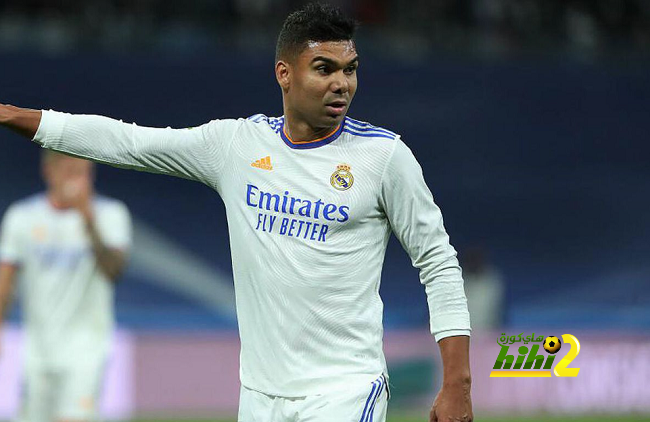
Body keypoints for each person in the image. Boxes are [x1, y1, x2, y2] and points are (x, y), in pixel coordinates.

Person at [0, 3, 472, 421]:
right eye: (323, 68)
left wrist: (458, 382)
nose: (341, 84)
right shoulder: (237, 147)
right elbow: (129, 142)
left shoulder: (384, 157)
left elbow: (438, 263)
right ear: (284, 74)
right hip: (259, 396)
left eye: (350, 70)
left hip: (345, 391)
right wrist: (14, 115)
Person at [0, 151, 132, 422]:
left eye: (84, 172)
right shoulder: (22, 217)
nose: (78, 181)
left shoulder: (110, 215)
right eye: (70, 172)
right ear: (49, 172)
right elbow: (6, 278)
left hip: (86, 349)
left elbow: (114, 270)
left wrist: (87, 219)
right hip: (37, 350)